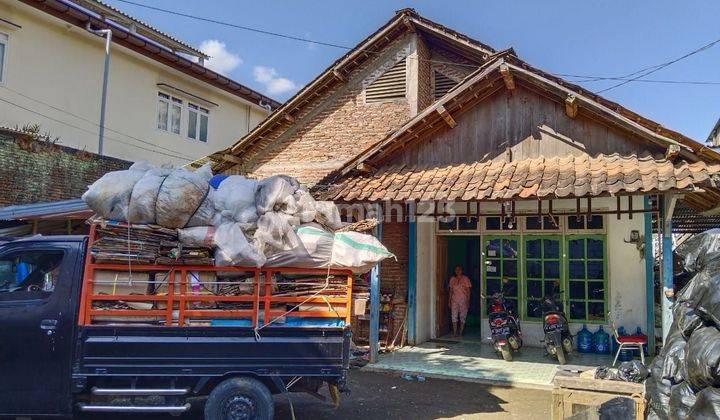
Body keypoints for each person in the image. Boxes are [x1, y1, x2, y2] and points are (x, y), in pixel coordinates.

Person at [449, 265, 472, 337]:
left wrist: (468, 301)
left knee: (463, 316)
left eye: (459, 269)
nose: (458, 271)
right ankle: (455, 332)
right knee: (454, 316)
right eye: (456, 270)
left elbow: (468, 291)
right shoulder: (452, 279)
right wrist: (449, 300)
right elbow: (450, 291)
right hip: (454, 300)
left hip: (463, 300)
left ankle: (461, 332)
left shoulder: (465, 279)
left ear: (462, 270)